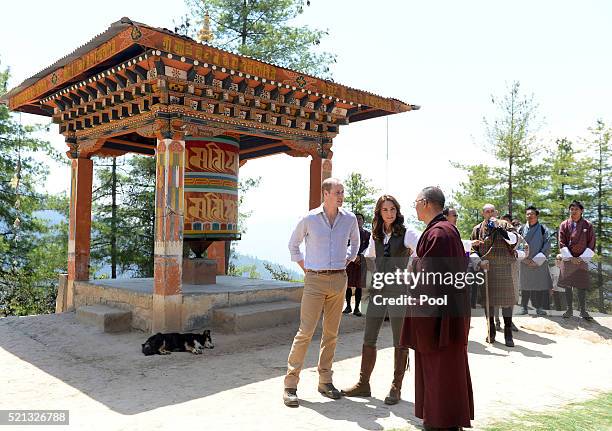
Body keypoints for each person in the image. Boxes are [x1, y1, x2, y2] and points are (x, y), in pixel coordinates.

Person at [401, 186, 473, 430]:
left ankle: (441, 421)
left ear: (424, 202)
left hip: (438, 317)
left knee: (439, 369)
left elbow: (429, 280)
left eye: (415, 202)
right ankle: (446, 419)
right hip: (447, 311)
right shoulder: (444, 230)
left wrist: (410, 273)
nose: (414, 207)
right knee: (445, 369)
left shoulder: (439, 234)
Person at [284, 178, 360, 407]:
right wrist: (306, 268)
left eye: (342, 192)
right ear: (325, 193)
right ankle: (290, 385)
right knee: (305, 332)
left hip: (339, 279)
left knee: (331, 334)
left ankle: (325, 381)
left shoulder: (349, 219)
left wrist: (348, 259)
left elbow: (356, 243)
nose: (341, 195)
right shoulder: (309, 219)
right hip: (314, 280)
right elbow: (293, 245)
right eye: (337, 191)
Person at [342, 195, 419, 405]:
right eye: (385, 210)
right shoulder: (376, 234)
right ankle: (363, 384)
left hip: (399, 291)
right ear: (379, 212)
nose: (390, 213)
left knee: (399, 339)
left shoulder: (406, 232)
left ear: (397, 210)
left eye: (393, 209)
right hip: (378, 290)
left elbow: (422, 248)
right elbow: (369, 256)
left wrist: (410, 270)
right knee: (369, 337)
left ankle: (396, 386)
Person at [477, 214, 519, 347]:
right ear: (484, 213)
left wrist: (500, 228)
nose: (489, 213)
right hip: (487, 269)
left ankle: (508, 334)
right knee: (488, 303)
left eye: (492, 210)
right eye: (487, 211)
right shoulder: (477, 229)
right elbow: (473, 250)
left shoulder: (505, 225)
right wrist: (480, 261)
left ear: (495, 212)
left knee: (507, 302)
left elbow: (514, 240)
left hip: (504, 267)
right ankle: (491, 332)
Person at [557, 200, 596, 321]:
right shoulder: (564, 224)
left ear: (581, 211)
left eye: (576, 209)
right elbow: (561, 242)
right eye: (572, 209)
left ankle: (583, 310)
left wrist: (581, 258)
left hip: (582, 259)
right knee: (568, 285)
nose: (573, 212)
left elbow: (592, 242)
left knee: (581, 286)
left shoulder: (588, 225)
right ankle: (569, 309)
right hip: (568, 258)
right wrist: (570, 257)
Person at [518, 206, 552, 316]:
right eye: (527, 214)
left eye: (532, 214)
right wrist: (525, 259)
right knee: (525, 284)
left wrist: (536, 261)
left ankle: (539, 307)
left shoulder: (543, 229)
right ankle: (524, 307)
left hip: (539, 262)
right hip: (524, 261)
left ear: (537, 215)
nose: (529, 216)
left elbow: (547, 245)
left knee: (539, 285)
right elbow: (516, 245)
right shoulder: (520, 229)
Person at [343, 213, 371, 317]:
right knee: (348, 285)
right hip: (349, 261)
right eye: (356, 219)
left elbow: (369, 247)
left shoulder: (368, 234)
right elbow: (345, 246)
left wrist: (360, 256)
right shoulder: (347, 233)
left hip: (361, 262)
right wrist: (352, 256)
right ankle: (348, 306)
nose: (358, 220)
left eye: (360, 219)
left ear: (363, 221)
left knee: (359, 286)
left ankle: (356, 308)